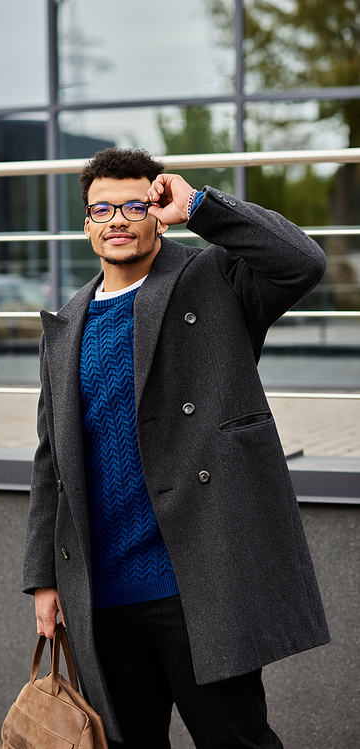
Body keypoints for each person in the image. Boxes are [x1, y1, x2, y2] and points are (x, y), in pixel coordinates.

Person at [22, 147, 330, 749]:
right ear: (86, 223)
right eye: (102, 208)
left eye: (135, 204)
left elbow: (302, 262)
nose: (118, 219)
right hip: (102, 592)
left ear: (157, 211)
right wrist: (43, 578)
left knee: (236, 739)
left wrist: (200, 206)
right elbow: (50, 461)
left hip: (195, 583)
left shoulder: (212, 282)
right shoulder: (66, 325)